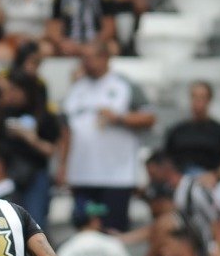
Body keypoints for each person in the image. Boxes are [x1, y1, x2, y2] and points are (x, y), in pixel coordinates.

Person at [57, 42, 155, 232]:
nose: (86, 62)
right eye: (83, 58)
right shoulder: (76, 89)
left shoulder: (123, 85)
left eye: (91, 57)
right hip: (82, 176)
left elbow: (149, 117)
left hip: (115, 178)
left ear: (105, 58)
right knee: (84, 227)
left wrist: (119, 117)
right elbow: (67, 130)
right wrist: (63, 166)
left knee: (112, 229)